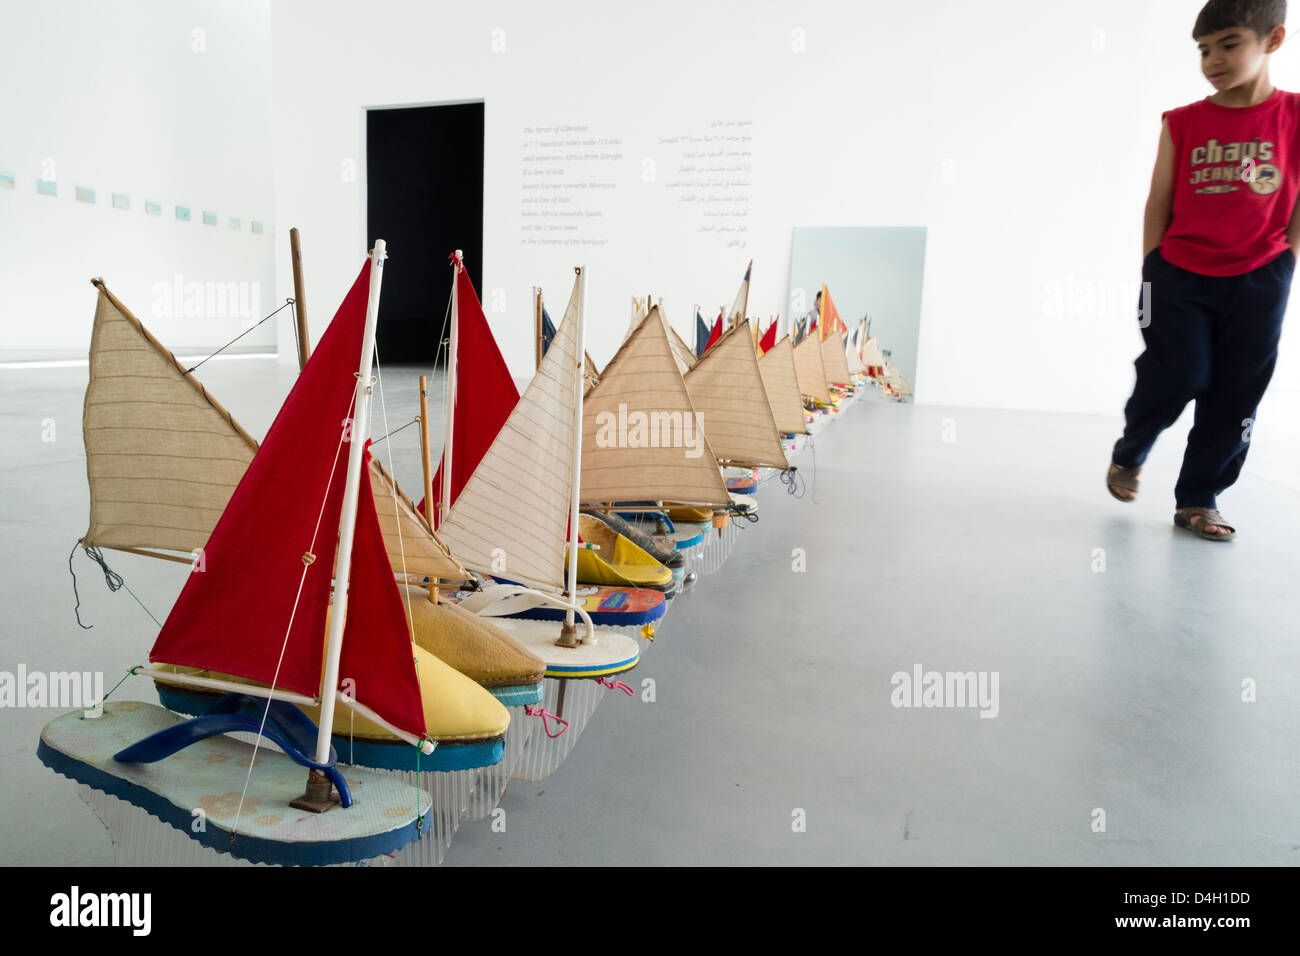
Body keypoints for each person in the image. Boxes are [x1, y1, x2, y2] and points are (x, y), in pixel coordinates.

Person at [1108, 0, 1299, 540]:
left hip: (1262, 276)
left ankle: (1199, 497)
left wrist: (1287, 258)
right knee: (1179, 372)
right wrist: (1153, 267)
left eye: (1229, 44)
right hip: (1180, 273)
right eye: (1203, 50)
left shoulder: (1296, 116)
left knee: (1238, 390)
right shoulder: (1184, 121)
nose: (1212, 59)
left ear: (1274, 40)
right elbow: (1158, 201)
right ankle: (1133, 447)